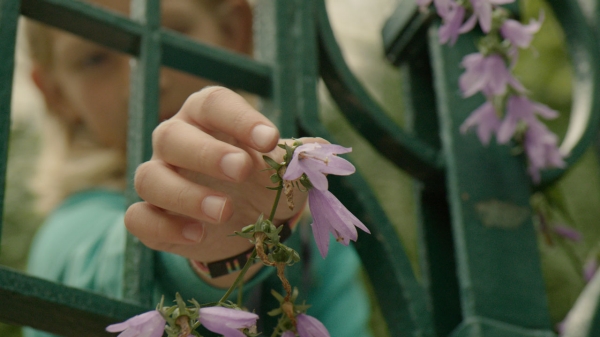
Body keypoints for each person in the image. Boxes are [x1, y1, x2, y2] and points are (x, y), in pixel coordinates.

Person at [23, 0, 373, 336]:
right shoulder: (67, 233)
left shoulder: (313, 238)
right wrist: (203, 247)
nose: (147, 80)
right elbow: (97, 274)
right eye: (95, 58)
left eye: (172, 31)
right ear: (56, 94)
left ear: (232, 30)